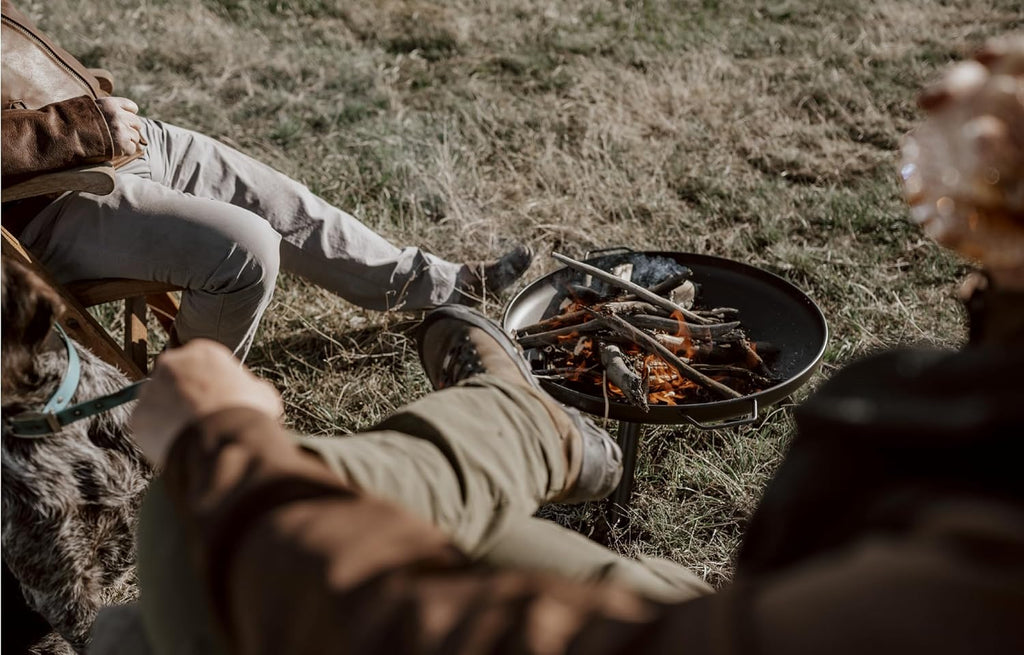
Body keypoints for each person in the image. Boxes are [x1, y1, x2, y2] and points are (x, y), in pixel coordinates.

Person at [0, 0, 533, 359]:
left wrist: (94, 103)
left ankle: (434, 285)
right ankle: (184, 416)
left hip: (107, 143)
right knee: (245, 250)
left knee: (285, 206)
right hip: (45, 203)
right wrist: (80, 129)